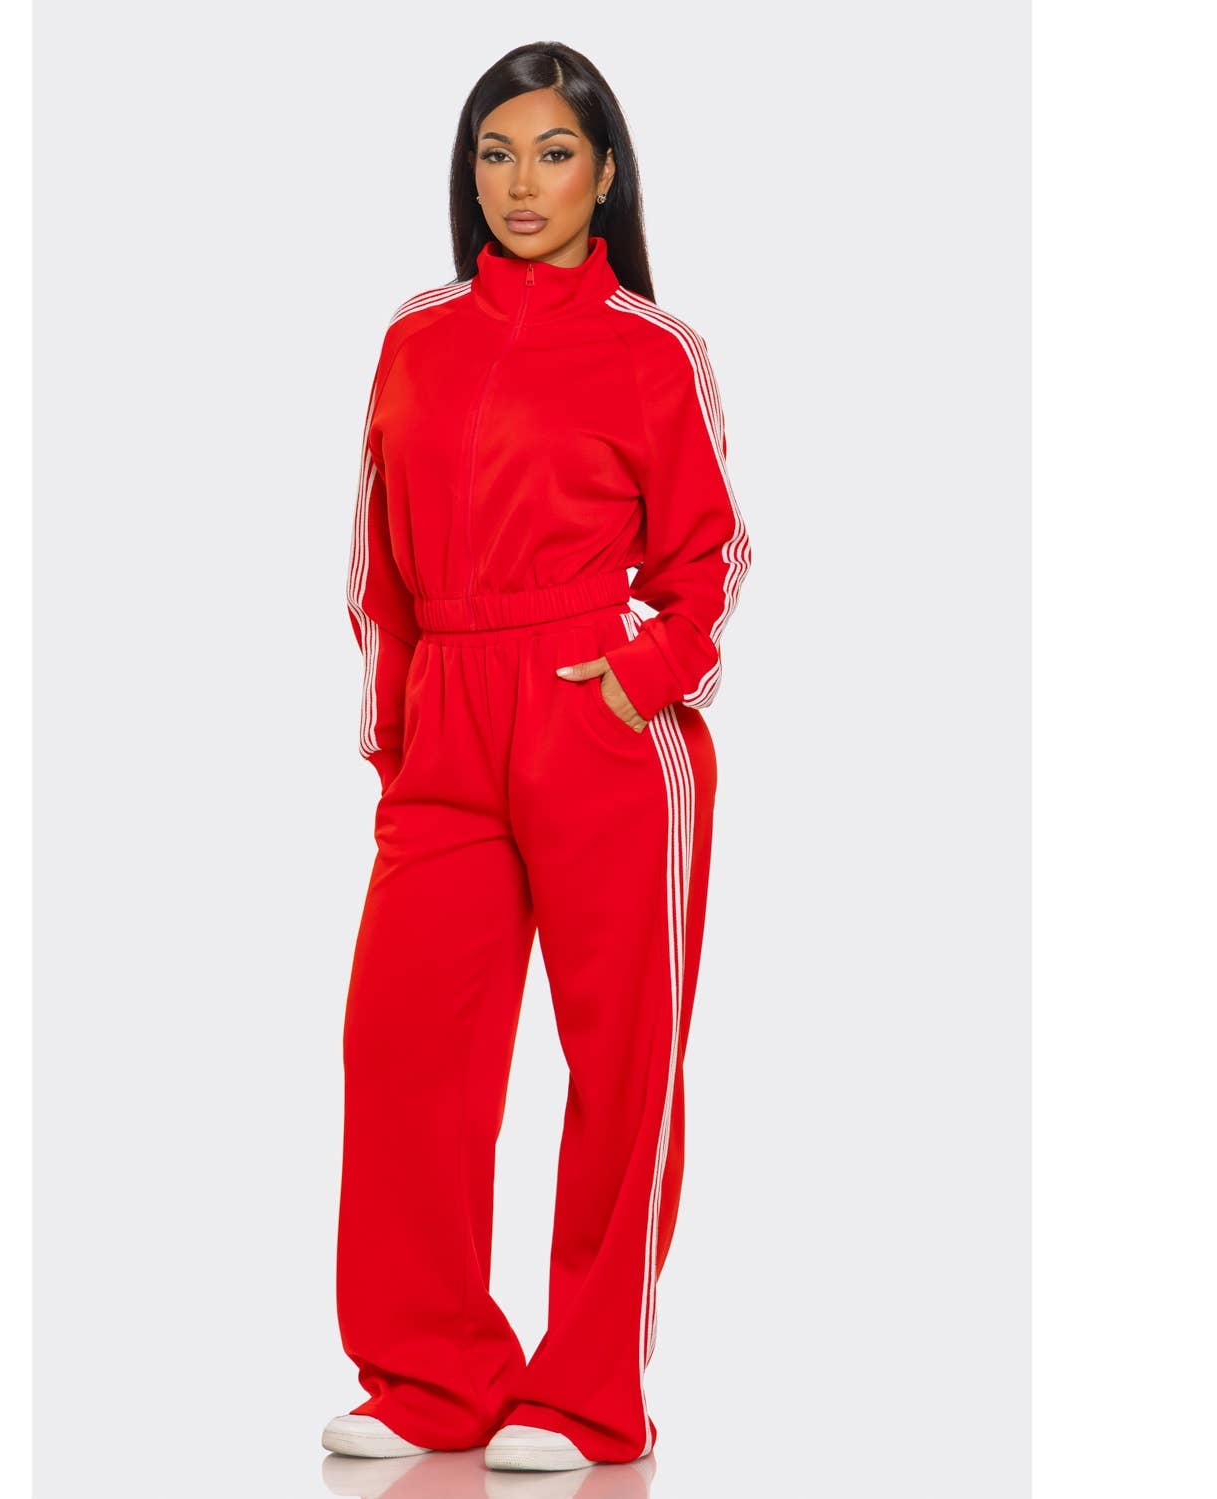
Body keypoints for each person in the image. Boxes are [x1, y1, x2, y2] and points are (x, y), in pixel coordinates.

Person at [324, 42, 754, 1473]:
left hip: (597, 720)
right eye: (495, 154)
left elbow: (711, 559)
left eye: (554, 153)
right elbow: (376, 560)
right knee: (404, 1049)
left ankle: (586, 1393)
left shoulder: (652, 348)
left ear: (606, 175)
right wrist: (398, 738)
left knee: (620, 1061)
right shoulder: (416, 338)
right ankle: (430, 1374)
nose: (521, 183)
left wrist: (641, 682)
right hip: (447, 721)